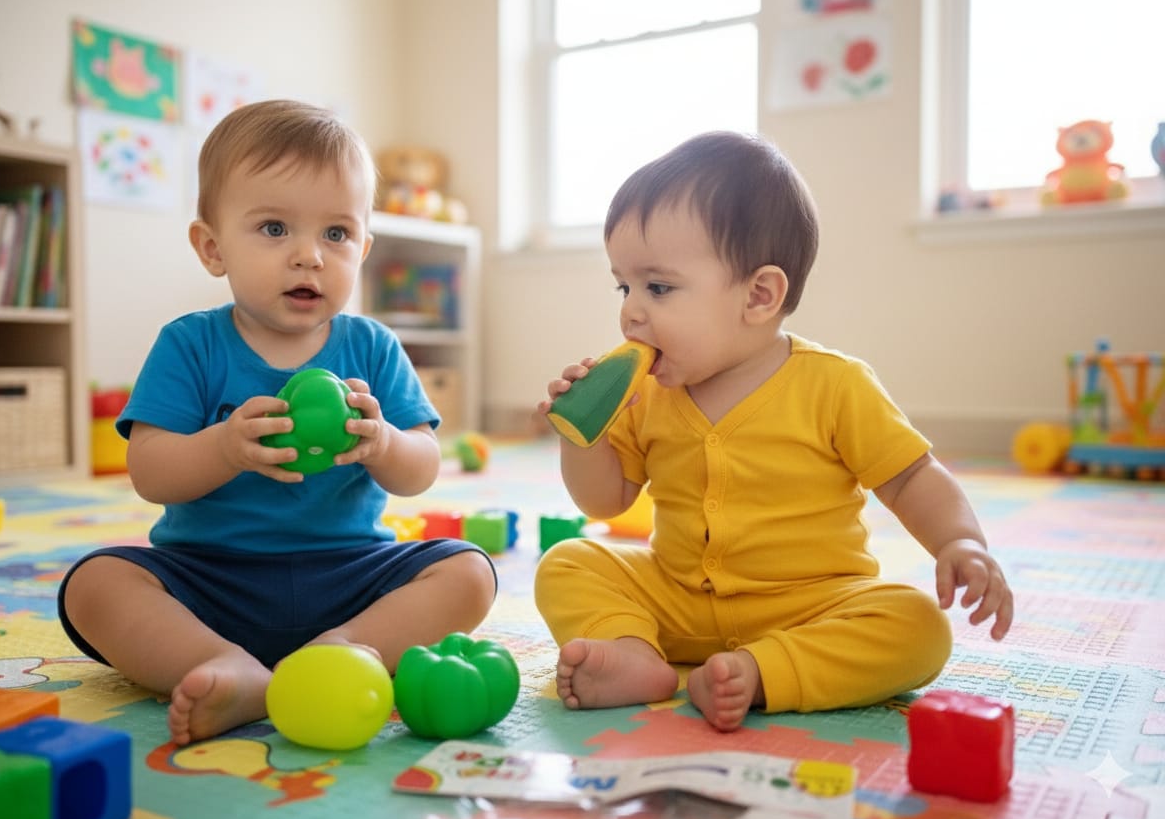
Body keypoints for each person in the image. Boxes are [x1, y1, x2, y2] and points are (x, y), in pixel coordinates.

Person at [534, 131, 1014, 732]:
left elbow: (912, 476)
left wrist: (959, 542)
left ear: (759, 295)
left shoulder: (834, 385)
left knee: (917, 626)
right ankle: (634, 653)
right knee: (569, 562)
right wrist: (584, 435)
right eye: (623, 285)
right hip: (678, 598)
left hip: (811, 607)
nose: (631, 310)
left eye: (658, 287)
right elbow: (605, 501)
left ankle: (763, 672)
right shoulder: (648, 394)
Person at [59, 100, 497, 746]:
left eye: (336, 235)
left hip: (351, 577)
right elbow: (150, 471)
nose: (309, 256)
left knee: (469, 572)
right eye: (273, 229)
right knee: (95, 585)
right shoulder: (189, 344)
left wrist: (383, 442)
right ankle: (224, 667)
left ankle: (340, 653)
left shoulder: (372, 346)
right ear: (213, 247)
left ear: (363, 249)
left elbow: (422, 466)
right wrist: (224, 447)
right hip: (212, 580)